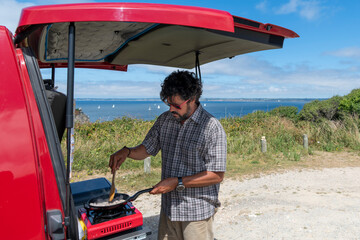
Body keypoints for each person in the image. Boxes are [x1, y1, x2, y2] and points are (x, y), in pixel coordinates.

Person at [109, 70, 227, 240]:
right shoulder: (165, 120)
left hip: (196, 211)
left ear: (192, 99)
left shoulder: (212, 128)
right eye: (168, 103)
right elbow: (147, 149)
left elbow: (216, 175)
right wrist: (126, 152)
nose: (171, 109)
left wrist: (177, 182)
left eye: (176, 105)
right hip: (169, 208)